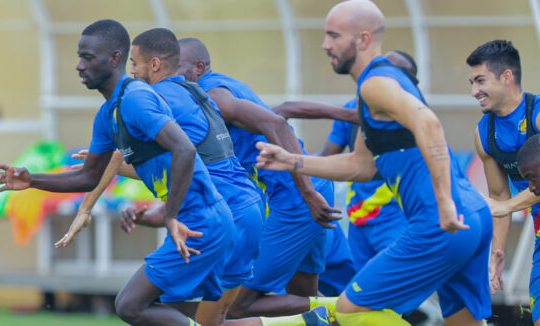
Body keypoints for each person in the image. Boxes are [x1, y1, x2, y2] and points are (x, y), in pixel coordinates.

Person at [256, 1, 492, 324]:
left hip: (441, 221)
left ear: (363, 39)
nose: (325, 45)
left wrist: (443, 202)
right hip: (472, 217)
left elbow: (430, 124)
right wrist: (292, 161)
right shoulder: (374, 87)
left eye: (333, 36)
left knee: (350, 310)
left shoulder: (373, 84)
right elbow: (361, 166)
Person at [0, 19, 234, 325]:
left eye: (87, 57)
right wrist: (31, 181)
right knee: (190, 315)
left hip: (202, 220)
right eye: (79, 57)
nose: (79, 66)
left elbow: (185, 149)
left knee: (130, 305)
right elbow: (88, 177)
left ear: (115, 58)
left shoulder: (136, 98)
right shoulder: (109, 113)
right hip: (201, 219)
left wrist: (171, 215)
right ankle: (304, 319)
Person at [178, 38, 341, 318]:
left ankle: (354, 306)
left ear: (199, 67)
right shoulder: (220, 86)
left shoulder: (212, 94)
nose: (167, 76)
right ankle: (349, 311)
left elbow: (276, 122)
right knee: (304, 299)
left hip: (298, 196)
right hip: (309, 187)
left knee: (238, 307)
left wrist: (307, 194)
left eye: (174, 67)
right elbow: (282, 111)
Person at [273, 50, 417, 281]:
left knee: (389, 286)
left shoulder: (414, 114)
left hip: (398, 213)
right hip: (359, 216)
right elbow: (328, 156)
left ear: (410, 82)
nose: (384, 75)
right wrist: (289, 153)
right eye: (381, 68)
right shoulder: (354, 107)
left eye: (395, 71)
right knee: (359, 290)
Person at [467, 40, 540, 325]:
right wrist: (496, 254)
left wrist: (505, 206)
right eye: (472, 82)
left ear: (507, 77)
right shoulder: (484, 134)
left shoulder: (537, 113)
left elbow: (502, 205)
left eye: (480, 80)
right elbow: (499, 199)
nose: (474, 91)